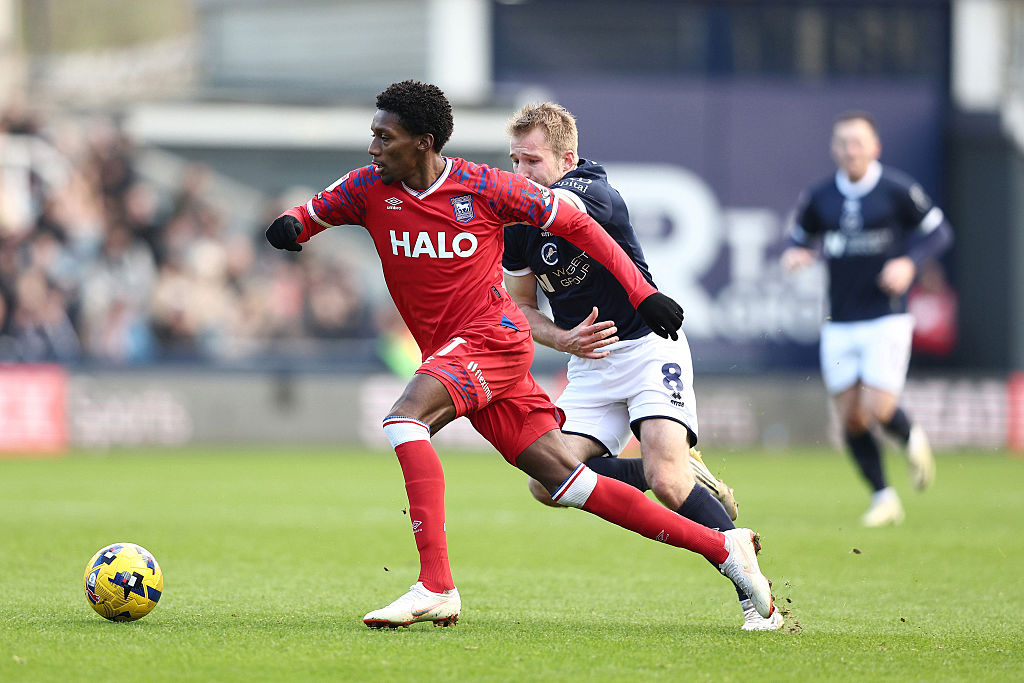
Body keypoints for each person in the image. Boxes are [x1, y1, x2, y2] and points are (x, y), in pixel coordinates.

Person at [265, 80, 776, 628]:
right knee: (565, 484)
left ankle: (435, 585)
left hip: (494, 340)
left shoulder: (487, 188)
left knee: (405, 421)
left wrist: (643, 293)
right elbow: (311, 212)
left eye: (384, 138)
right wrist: (291, 226)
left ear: (423, 142)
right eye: (373, 135)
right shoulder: (368, 187)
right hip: (483, 352)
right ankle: (725, 549)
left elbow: (579, 222)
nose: (373, 147)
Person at [502, 102, 781, 631]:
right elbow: (520, 305)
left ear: (567, 158)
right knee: (544, 481)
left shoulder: (592, 191)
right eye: (514, 161)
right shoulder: (519, 223)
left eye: (532, 161)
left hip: (649, 349)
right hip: (591, 364)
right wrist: (563, 338)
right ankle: (678, 468)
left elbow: (562, 208)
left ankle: (753, 594)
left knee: (669, 482)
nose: (521, 172)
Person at [781, 110, 953, 527]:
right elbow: (798, 239)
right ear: (834, 148)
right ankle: (884, 497)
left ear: (875, 147)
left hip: (885, 318)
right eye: (843, 142)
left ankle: (911, 437)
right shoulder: (821, 196)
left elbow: (939, 232)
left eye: (858, 142)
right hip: (840, 320)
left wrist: (909, 263)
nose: (850, 150)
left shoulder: (896, 189)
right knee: (851, 417)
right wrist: (796, 254)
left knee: (879, 407)